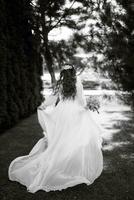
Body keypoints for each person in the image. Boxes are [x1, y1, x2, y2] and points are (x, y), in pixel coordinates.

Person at [8, 64, 103, 193]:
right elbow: (81, 101)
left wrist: (43, 106)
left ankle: (63, 162)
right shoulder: (77, 84)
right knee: (73, 138)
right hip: (75, 112)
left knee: (61, 138)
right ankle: (69, 164)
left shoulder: (60, 84)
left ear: (63, 73)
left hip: (62, 112)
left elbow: (52, 99)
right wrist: (87, 107)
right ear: (73, 72)